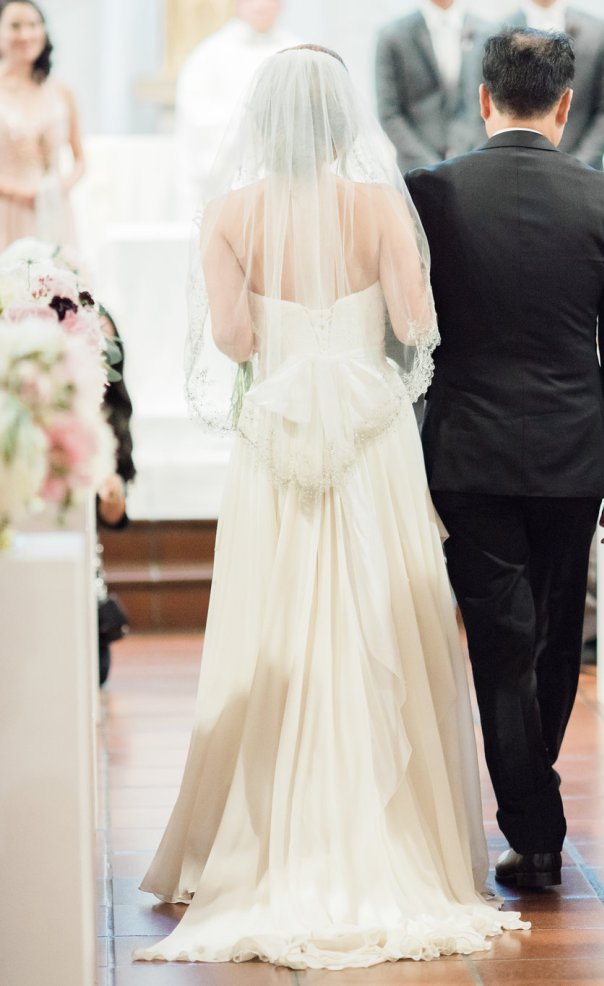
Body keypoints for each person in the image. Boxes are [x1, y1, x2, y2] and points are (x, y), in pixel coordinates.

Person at [134, 45, 527, 969]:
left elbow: (234, 339)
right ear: (344, 120)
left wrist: (287, 327)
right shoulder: (380, 206)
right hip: (369, 434)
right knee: (377, 617)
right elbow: (415, 324)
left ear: (262, 123)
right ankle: (399, 835)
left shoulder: (229, 214)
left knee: (274, 621)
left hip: (277, 433)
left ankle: (266, 834)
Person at [406, 28, 604, 889]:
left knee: (501, 642)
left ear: (483, 99)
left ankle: (533, 822)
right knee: (550, 640)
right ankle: (535, 819)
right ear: (566, 105)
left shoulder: (430, 192)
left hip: (465, 451)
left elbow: (409, 330)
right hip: (572, 454)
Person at [174, 0, 296, 217]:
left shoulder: (296, 51)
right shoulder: (210, 54)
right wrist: (249, 121)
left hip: (284, 181)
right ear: (237, 3)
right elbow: (195, 112)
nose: (262, 6)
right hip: (225, 179)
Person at [498, 0, 604, 170]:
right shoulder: (496, 32)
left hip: (582, 171)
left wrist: (576, 167)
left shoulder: (600, 33)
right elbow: (480, 109)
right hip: (512, 172)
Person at [0, 0, 84, 250]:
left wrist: (59, 189)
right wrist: (18, 192)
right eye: (15, 26)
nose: (25, 34)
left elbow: (80, 159)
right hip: (6, 208)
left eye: (33, 25)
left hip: (53, 210)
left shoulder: (61, 91)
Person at [375, 0, 494, 173]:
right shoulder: (392, 36)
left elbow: (493, 104)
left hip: (473, 165)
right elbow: (389, 113)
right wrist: (430, 165)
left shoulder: (487, 33)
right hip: (416, 170)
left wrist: (468, 155)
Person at [96, 307, 135, 686]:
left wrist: (112, 497)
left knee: (97, 670)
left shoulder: (112, 414)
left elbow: (114, 518)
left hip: (85, 565)